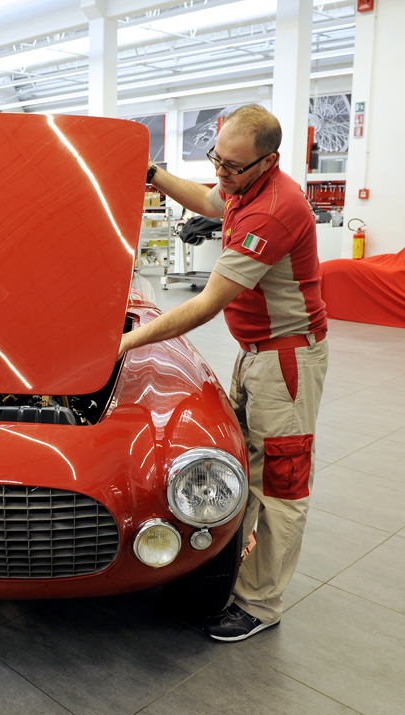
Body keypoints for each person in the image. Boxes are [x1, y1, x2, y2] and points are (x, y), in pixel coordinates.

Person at [119, 105, 328, 642]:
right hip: (256, 353)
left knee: (280, 485)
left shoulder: (272, 212)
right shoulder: (243, 188)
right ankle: (235, 572)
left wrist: (126, 342)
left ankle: (259, 605)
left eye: (232, 166)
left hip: (285, 362)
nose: (221, 173)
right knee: (244, 466)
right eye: (218, 159)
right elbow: (207, 199)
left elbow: (206, 303)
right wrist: (152, 173)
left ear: (268, 161)